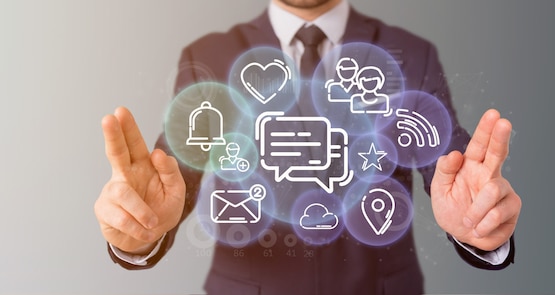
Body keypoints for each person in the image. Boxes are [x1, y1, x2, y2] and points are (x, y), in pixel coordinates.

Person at [94, 0, 522, 294]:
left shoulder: (411, 54)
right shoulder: (209, 55)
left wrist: (478, 221)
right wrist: (140, 226)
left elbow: (451, 165)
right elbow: (172, 181)